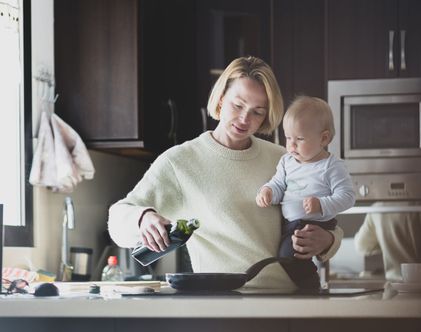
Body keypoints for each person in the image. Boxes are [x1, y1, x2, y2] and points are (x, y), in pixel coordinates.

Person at [107, 56, 343, 289]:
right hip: (222, 303)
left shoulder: (283, 159)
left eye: (257, 112)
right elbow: (118, 220)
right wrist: (143, 218)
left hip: (290, 299)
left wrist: (328, 240)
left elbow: (324, 219)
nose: (245, 119)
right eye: (238, 105)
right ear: (220, 100)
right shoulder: (180, 162)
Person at [256, 96, 355, 288]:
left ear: (324, 138)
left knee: (289, 255)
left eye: (299, 139)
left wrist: (321, 204)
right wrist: (268, 191)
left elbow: (348, 197)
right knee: (289, 254)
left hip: (314, 223)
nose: (291, 146)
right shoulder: (286, 161)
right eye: (288, 138)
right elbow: (278, 184)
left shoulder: (331, 166)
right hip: (290, 224)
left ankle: (311, 285)